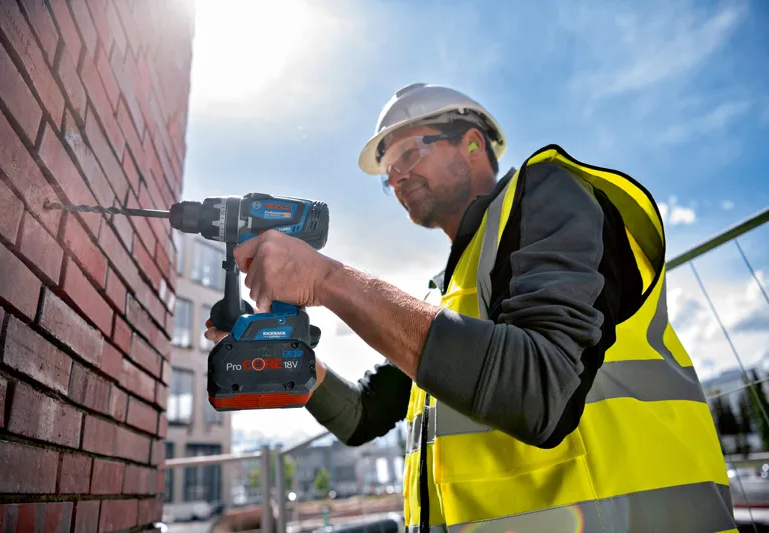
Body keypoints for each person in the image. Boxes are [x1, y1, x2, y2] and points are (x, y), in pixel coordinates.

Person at [205, 83, 737, 532]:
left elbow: (540, 386)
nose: (397, 178)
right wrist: (285, 357)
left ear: (473, 144)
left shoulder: (550, 194)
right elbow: (364, 415)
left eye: (408, 154)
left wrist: (327, 279)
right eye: (389, 174)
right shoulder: (445, 293)